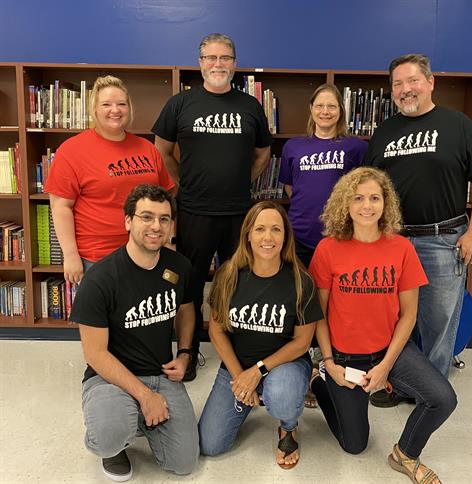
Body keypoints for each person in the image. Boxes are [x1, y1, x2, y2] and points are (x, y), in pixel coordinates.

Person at [309, 167, 456, 484]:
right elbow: (317, 314)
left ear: (385, 204)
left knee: (443, 398)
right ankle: (320, 384)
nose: (367, 206)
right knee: (355, 446)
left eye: (375, 198)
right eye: (358, 198)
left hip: (392, 349)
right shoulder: (328, 249)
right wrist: (328, 363)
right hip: (344, 357)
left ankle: (405, 454)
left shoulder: (401, 248)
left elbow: (409, 315)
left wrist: (386, 366)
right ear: (345, 204)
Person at [364, 54, 472, 406]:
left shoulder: (458, 125)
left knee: (438, 325)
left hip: (443, 240)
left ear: (430, 81)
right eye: (397, 84)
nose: (406, 90)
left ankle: (430, 395)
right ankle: (398, 383)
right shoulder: (384, 132)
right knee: (394, 321)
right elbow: (370, 185)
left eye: (412, 81)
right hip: (392, 242)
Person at [153, 33, 273, 381]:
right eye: (211, 58)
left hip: (239, 213)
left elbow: (263, 152)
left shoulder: (250, 107)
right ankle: (187, 352)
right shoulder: (180, 104)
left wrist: (243, 181)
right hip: (194, 211)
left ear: (234, 63)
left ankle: (236, 351)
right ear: (200, 62)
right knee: (188, 285)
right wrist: (182, 182)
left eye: (225, 58)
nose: (218, 64)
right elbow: (162, 149)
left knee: (238, 284)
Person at [70, 185, 199, 481]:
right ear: (128, 221)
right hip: (110, 377)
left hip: (161, 374)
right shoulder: (100, 279)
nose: (156, 226)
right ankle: (114, 435)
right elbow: (95, 354)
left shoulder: (178, 266)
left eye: (164, 219)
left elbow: (186, 309)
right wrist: (144, 395)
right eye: (146, 217)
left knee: (183, 463)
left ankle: (136, 416)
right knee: (110, 435)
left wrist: (184, 353)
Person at [198, 201, 323, 469]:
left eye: (276, 229)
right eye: (260, 229)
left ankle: (288, 427)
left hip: (283, 365)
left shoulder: (301, 281)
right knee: (211, 445)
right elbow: (217, 330)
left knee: (281, 397)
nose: (268, 237)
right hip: (237, 367)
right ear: (248, 235)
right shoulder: (228, 274)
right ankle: (251, 395)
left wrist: (257, 372)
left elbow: (302, 342)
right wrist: (239, 376)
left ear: (286, 236)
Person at [279, 83, 368, 407]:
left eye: (332, 106)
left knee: (333, 307)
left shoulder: (355, 148)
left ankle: (326, 369)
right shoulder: (293, 147)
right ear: (312, 109)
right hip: (299, 237)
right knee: (301, 306)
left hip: (339, 240)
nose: (326, 112)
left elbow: (361, 192)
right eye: (320, 106)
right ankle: (301, 371)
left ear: (340, 112)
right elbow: (290, 188)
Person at [45, 75, 175, 284]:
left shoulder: (147, 148)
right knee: (99, 317)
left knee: (144, 315)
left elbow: (166, 198)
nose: (115, 110)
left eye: (122, 104)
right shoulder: (71, 151)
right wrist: (70, 256)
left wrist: (168, 239)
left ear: (129, 108)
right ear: (94, 109)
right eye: (106, 104)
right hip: (98, 258)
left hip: (147, 253)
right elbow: (60, 206)